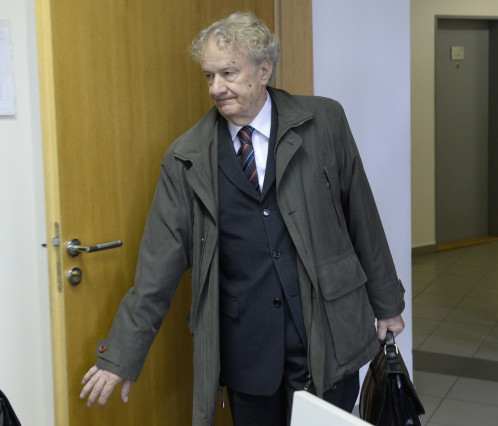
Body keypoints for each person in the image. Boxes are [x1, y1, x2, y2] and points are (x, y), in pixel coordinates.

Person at [79, 11, 405, 426]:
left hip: (327, 334)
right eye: (209, 75)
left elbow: (362, 217)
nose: (216, 88)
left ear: (264, 70)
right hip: (248, 352)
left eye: (228, 73)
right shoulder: (186, 158)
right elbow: (156, 269)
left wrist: (387, 305)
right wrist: (121, 355)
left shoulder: (323, 122)